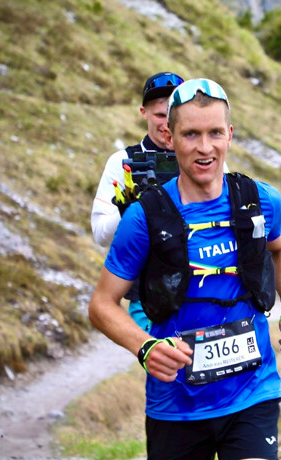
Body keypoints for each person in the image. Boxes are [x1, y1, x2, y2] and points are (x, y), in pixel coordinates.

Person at [87, 78, 281, 460]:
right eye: (191, 134)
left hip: (252, 389)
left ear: (230, 135)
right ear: (170, 137)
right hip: (176, 401)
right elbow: (101, 305)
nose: (204, 147)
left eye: (214, 133)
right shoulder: (143, 218)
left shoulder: (261, 200)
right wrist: (145, 346)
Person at [90, 71, 185, 331]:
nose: (167, 124)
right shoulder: (122, 162)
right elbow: (100, 235)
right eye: (160, 115)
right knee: (163, 357)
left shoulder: (203, 158)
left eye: (174, 115)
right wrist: (127, 209)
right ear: (144, 112)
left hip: (203, 290)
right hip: (148, 299)